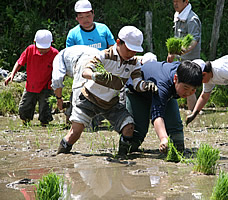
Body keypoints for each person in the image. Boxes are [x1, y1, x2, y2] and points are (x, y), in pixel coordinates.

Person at [57, 26, 158, 155]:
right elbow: (85, 71)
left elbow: (137, 83)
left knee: (129, 127)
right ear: (118, 42)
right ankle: (60, 155)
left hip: (111, 103)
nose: (132, 54)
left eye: (135, 51)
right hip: (89, 99)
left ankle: (122, 158)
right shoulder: (103, 55)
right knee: (74, 133)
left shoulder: (134, 63)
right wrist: (95, 76)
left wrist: (146, 86)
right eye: (129, 49)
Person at [125, 60, 203, 154]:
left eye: (193, 90)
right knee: (138, 133)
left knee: (176, 134)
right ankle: (123, 153)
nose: (188, 93)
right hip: (137, 92)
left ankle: (176, 152)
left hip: (166, 92)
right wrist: (163, 138)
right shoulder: (163, 86)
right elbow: (157, 114)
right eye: (185, 88)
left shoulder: (183, 71)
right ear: (175, 78)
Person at [65, 0, 116, 129]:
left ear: (93, 14)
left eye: (88, 16)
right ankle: (73, 118)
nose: (85, 20)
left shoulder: (103, 29)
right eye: (81, 17)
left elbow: (112, 48)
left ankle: (99, 119)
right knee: (78, 96)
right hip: (81, 71)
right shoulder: (73, 34)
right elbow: (70, 55)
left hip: (101, 69)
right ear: (76, 18)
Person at [4, 30, 59, 126]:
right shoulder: (30, 50)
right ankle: (26, 123)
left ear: (51, 43)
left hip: (46, 86)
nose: (42, 50)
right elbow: (20, 62)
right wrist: (12, 74)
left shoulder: (55, 53)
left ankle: (44, 125)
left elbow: (59, 70)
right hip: (31, 85)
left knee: (45, 110)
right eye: (40, 47)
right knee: (24, 108)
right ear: (34, 42)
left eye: (45, 48)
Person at [167, 0, 202, 111]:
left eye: (178, 1)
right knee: (175, 81)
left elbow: (194, 41)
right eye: (174, 1)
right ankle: (173, 108)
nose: (175, 4)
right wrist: (171, 52)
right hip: (179, 58)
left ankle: (193, 111)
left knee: (189, 84)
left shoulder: (192, 19)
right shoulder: (178, 16)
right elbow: (176, 38)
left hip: (191, 59)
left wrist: (178, 52)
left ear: (186, 2)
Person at [51, 45, 102, 116]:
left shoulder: (58, 58)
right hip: (100, 56)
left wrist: (59, 99)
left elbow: (57, 79)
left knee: (78, 99)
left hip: (83, 61)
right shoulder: (69, 52)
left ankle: (79, 123)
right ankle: (95, 120)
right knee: (96, 93)